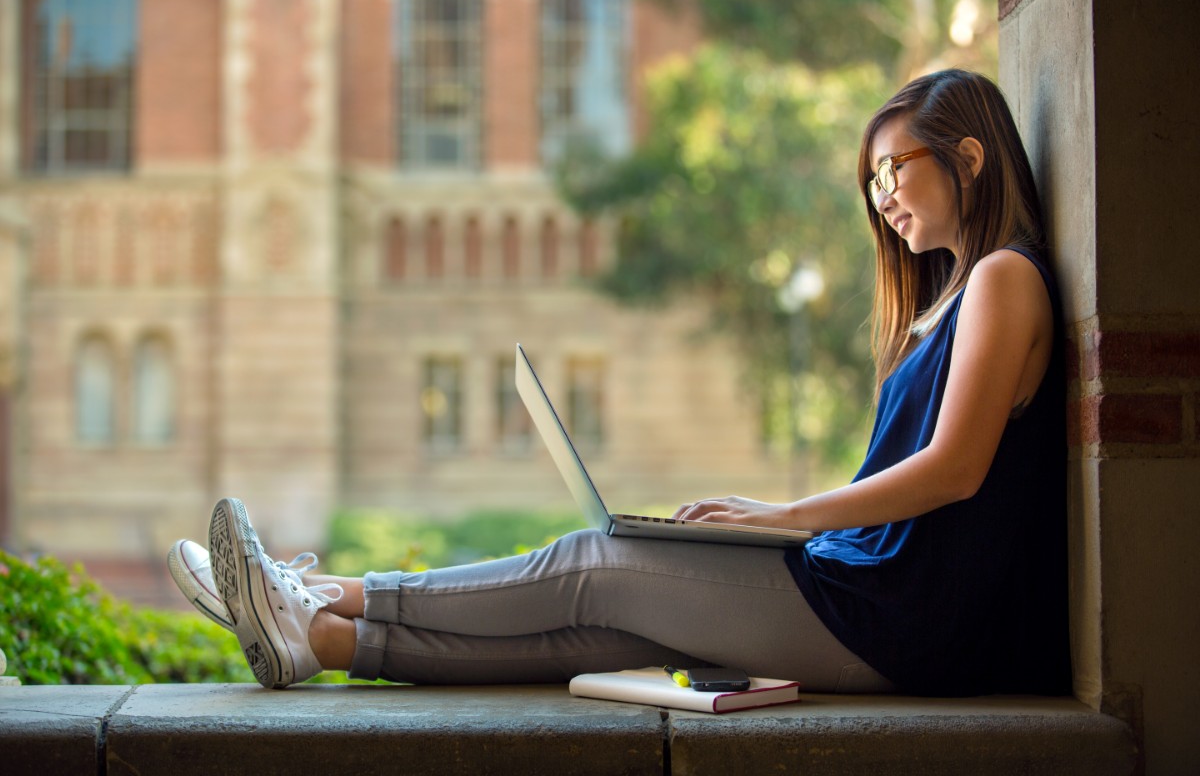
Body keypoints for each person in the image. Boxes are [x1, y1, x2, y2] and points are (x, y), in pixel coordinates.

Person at [168, 69, 1070, 697]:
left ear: (972, 158)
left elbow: (956, 469)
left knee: (592, 562)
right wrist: (769, 519)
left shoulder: (1004, 277)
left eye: (896, 168)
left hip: (907, 625)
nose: (881, 195)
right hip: (875, 598)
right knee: (607, 638)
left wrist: (786, 519)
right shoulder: (952, 298)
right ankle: (321, 645)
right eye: (871, 179)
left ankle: (319, 596)